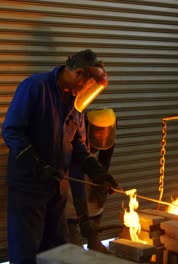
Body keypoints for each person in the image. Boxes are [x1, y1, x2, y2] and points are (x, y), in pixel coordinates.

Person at [2, 49, 119, 263]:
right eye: (89, 86)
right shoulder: (36, 87)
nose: (87, 93)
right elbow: (12, 131)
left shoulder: (76, 104)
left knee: (58, 254)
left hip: (57, 192)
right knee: (26, 255)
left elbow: (77, 145)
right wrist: (37, 165)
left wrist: (98, 173)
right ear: (79, 74)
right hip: (29, 191)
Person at [67, 108, 117, 253]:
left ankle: (94, 239)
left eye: (104, 132)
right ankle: (72, 239)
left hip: (88, 163)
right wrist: (83, 216)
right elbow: (76, 178)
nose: (101, 135)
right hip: (70, 165)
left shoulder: (109, 137)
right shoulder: (76, 138)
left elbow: (104, 161)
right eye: (97, 132)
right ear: (87, 127)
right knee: (69, 200)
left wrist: (101, 183)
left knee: (97, 196)